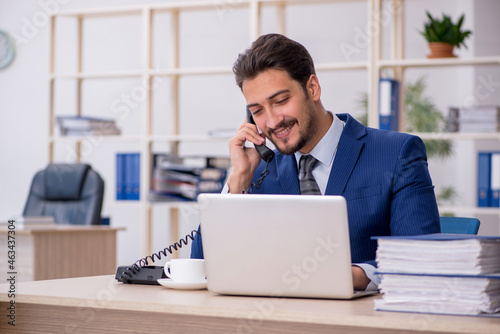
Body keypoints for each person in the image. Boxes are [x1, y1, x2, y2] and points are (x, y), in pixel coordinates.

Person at [191, 33, 440, 290]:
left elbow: (422, 261)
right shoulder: (256, 170)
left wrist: (350, 276)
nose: (273, 121)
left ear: (312, 88)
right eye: (257, 111)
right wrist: (237, 181)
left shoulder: (396, 152)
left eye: (281, 101)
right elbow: (200, 265)